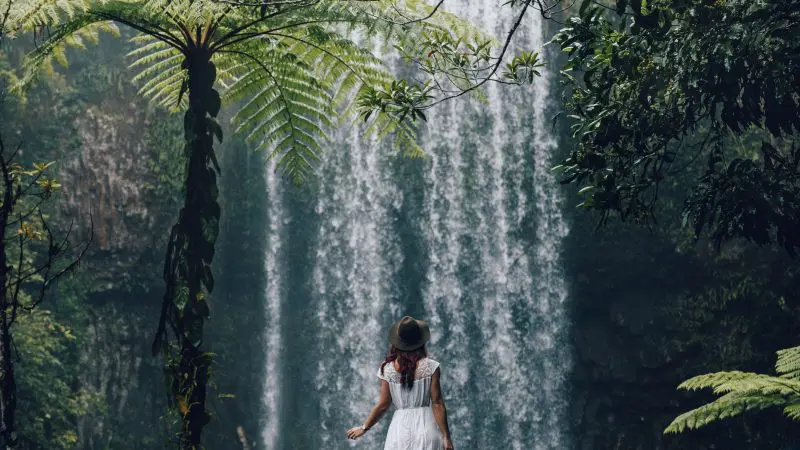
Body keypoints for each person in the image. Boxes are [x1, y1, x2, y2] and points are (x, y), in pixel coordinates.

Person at [345, 316, 454, 450]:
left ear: (397, 344)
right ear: (420, 342)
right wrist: (446, 437)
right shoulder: (431, 367)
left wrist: (364, 427)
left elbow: (383, 405)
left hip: (399, 432)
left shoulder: (387, 369)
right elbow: (437, 403)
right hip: (427, 428)